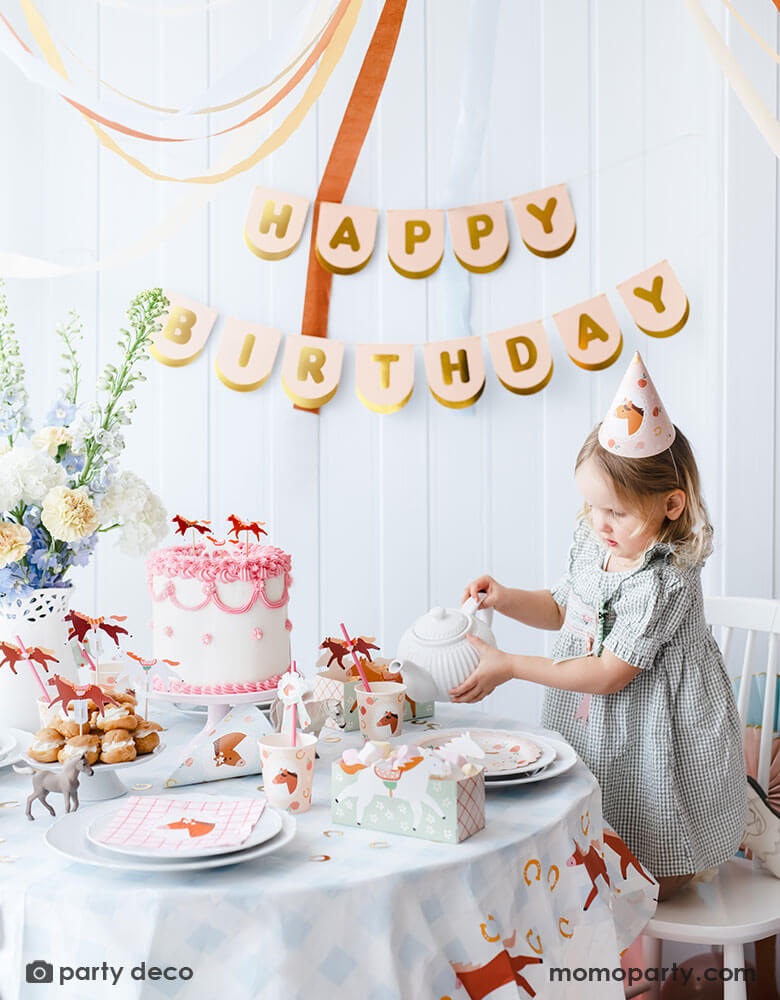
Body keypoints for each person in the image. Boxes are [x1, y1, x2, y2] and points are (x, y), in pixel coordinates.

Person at [452, 352, 747, 901]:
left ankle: (646, 901)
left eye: (617, 512)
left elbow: (613, 672)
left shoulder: (664, 580)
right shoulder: (594, 542)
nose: (600, 523)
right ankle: (596, 917)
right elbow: (567, 607)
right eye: (592, 507)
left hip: (657, 724)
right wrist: (509, 598)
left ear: (671, 505)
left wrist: (513, 666)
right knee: (590, 835)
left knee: (651, 846)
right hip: (594, 720)